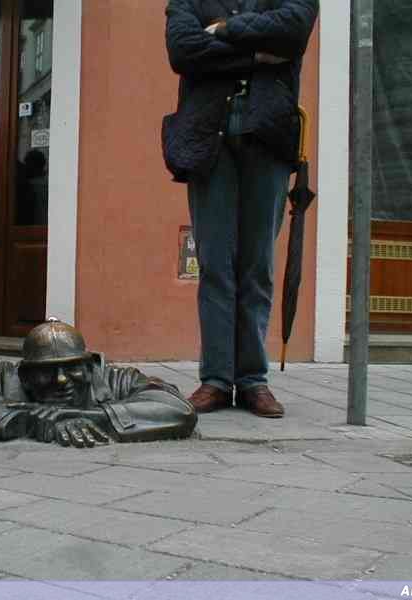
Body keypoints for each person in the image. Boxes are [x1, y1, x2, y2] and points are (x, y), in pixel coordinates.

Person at [163, 0, 318, 418]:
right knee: (215, 263)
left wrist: (223, 30)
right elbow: (182, 50)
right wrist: (255, 53)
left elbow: (293, 31)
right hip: (206, 137)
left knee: (257, 265)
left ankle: (252, 380)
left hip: (267, 133)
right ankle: (215, 379)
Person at [0, 319, 197, 447]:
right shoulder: (3, 376)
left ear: (89, 366)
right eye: (47, 371)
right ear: (25, 374)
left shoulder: (117, 378)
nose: (62, 380)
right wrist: (30, 417)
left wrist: (88, 417)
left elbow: (178, 409)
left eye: (72, 368)